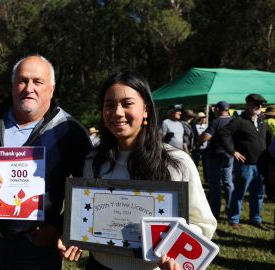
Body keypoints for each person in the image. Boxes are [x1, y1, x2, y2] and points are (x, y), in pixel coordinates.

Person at [58, 71, 216, 270]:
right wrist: (71, 238)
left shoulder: (177, 162)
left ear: (146, 110)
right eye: (109, 105)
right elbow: (84, 216)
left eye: (127, 103)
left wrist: (174, 251)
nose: (117, 112)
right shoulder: (93, 160)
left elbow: (203, 224)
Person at [0, 55, 92, 270]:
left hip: (38, 244)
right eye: (22, 80)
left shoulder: (69, 130)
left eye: (38, 82)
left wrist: (59, 226)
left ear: (52, 89)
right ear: (12, 86)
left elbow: (89, 187)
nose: (29, 88)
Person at [218, 94, 271, 229]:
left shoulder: (262, 123)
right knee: (239, 193)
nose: (259, 106)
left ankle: (255, 219)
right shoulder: (239, 121)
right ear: (248, 104)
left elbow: (268, 141)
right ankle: (234, 219)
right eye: (255, 104)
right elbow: (223, 134)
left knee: (258, 194)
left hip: (261, 165)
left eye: (261, 104)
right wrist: (233, 151)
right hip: (245, 165)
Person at [199, 101, 234, 220]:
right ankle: (231, 210)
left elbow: (206, 137)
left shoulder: (216, 121)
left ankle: (215, 212)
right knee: (228, 183)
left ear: (218, 109)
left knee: (215, 185)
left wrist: (200, 140)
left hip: (215, 156)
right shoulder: (234, 121)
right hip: (229, 156)